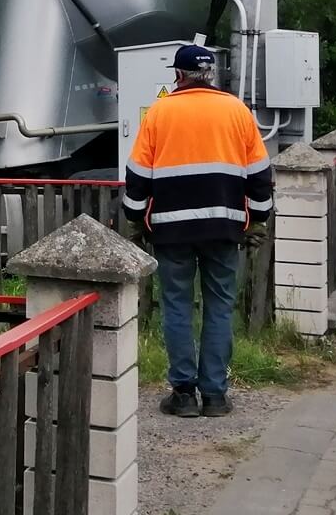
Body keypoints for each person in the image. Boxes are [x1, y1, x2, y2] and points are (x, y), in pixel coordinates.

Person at [122, 44, 273, 418]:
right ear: (211, 74)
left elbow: (138, 176)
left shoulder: (160, 112)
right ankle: (216, 396)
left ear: (178, 75)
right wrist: (258, 219)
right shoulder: (237, 110)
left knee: (177, 306)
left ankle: (184, 394)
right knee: (219, 307)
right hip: (224, 228)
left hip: (171, 231)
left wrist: (135, 221)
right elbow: (260, 175)